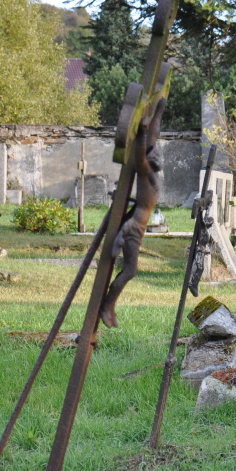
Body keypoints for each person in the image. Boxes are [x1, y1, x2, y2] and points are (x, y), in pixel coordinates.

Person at [100, 96, 166, 328]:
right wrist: (141, 133)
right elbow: (141, 154)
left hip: (136, 225)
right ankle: (107, 306)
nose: (157, 155)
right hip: (133, 228)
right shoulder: (147, 174)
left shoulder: (153, 176)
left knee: (130, 270)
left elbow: (153, 137)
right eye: (153, 154)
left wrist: (159, 109)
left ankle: (108, 306)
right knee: (130, 270)